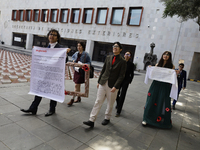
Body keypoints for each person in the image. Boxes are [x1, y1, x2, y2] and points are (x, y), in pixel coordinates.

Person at [20, 29, 70, 117]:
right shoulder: (47, 48)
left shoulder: (60, 48)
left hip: (54, 74)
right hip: (45, 73)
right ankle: (33, 108)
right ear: (48, 36)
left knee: (52, 92)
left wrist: (65, 54)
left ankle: (52, 109)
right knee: (39, 90)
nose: (52, 36)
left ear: (57, 38)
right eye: (50, 34)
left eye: (54, 35)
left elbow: (64, 61)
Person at [83, 42, 127, 128]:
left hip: (113, 85)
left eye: (117, 46)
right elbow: (103, 70)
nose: (115, 47)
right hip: (103, 82)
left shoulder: (123, 61)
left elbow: (121, 76)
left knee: (110, 103)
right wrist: (99, 81)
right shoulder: (108, 57)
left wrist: (116, 86)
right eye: (114, 46)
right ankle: (91, 120)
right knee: (98, 101)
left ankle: (107, 118)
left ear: (120, 49)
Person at [142, 51, 175, 129]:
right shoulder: (157, 64)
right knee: (151, 100)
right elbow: (153, 75)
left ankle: (161, 120)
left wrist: (175, 73)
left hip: (165, 86)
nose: (165, 55)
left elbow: (171, 77)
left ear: (169, 57)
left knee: (162, 102)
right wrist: (150, 68)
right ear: (162, 55)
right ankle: (146, 119)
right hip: (156, 85)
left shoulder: (171, 66)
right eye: (164, 54)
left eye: (167, 55)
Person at [67, 42, 91, 106]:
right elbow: (73, 58)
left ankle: (72, 99)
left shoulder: (86, 54)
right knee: (78, 85)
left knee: (76, 85)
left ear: (83, 47)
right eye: (78, 46)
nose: (78, 47)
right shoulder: (76, 53)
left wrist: (84, 64)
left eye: (80, 46)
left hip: (81, 71)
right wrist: (73, 61)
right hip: (76, 71)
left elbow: (89, 62)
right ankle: (78, 97)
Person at [115, 51, 134, 117]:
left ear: (130, 56)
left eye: (128, 54)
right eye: (126, 54)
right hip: (119, 80)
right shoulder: (121, 62)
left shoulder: (131, 64)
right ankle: (118, 103)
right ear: (124, 55)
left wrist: (130, 80)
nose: (127, 55)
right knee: (116, 93)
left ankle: (118, 111)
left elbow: (132, 74)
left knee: (123, 95)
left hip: (126, 81)